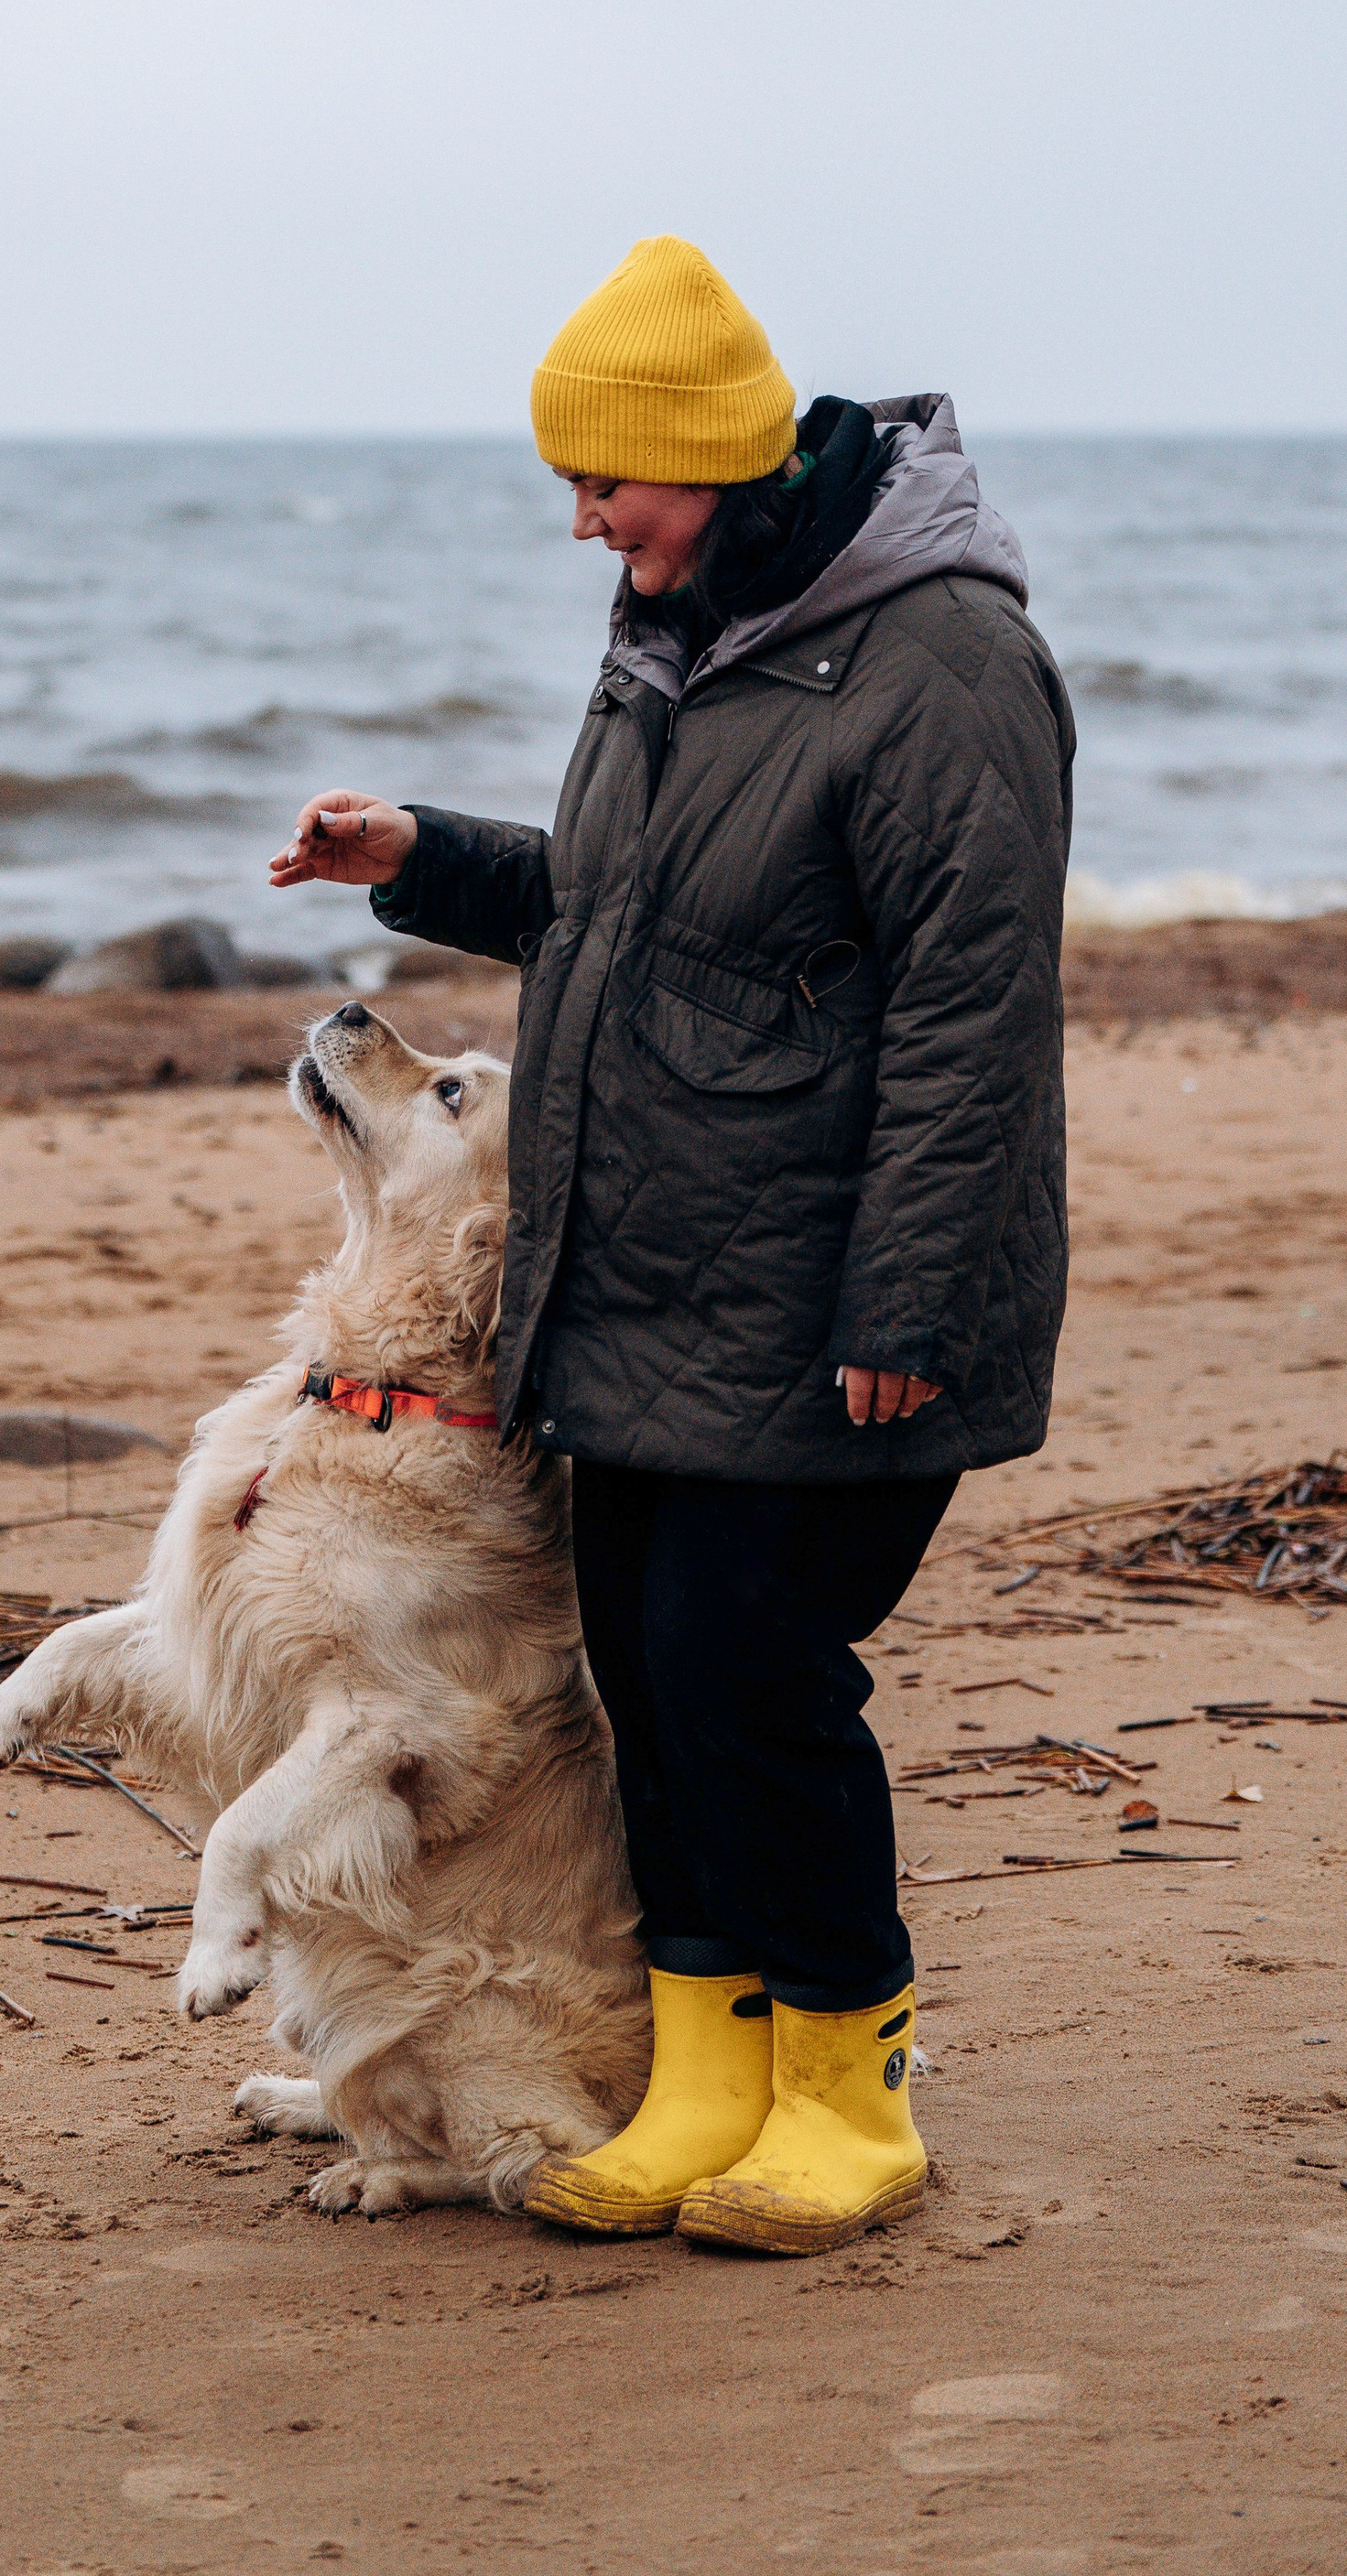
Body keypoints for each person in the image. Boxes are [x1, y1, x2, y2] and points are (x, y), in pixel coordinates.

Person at [270, 236, 1074, 2257]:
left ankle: (843, 2092)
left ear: (704, 453)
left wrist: (902, 1294)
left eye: (600, 482)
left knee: (752, 1674)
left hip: (826, 1293)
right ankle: (710, 2074)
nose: (578, 523)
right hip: (629, 1285)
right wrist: (426, 858)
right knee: (646, 1674)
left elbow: (972, 1012)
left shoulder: (944, 661)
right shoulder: (680, 624)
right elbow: (625, 908)